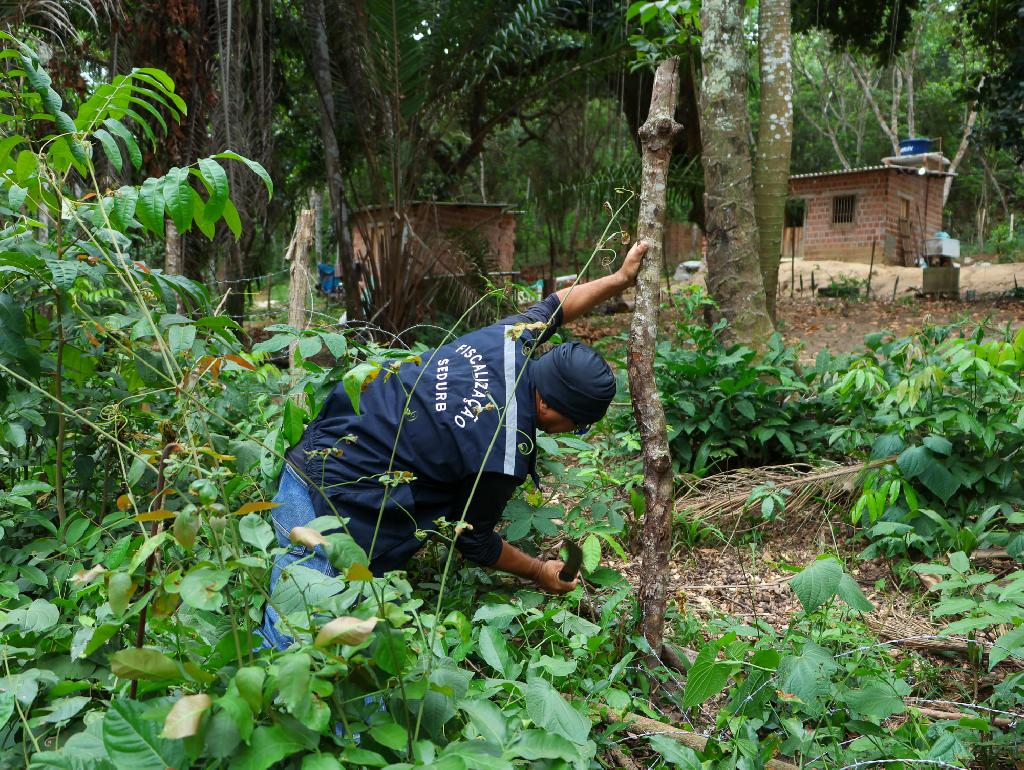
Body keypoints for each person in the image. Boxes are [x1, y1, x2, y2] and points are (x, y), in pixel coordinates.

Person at [259, 240, 649, 649]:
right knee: (292, 646)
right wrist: (538, 571)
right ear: (550, 405)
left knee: (341, 648)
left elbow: (556, 305)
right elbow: (474, 539)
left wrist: (620, 279)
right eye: (576, 424)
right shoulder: (504, 446)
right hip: (324, 512)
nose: (570, 431)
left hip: (311, 456)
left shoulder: (510, 339)